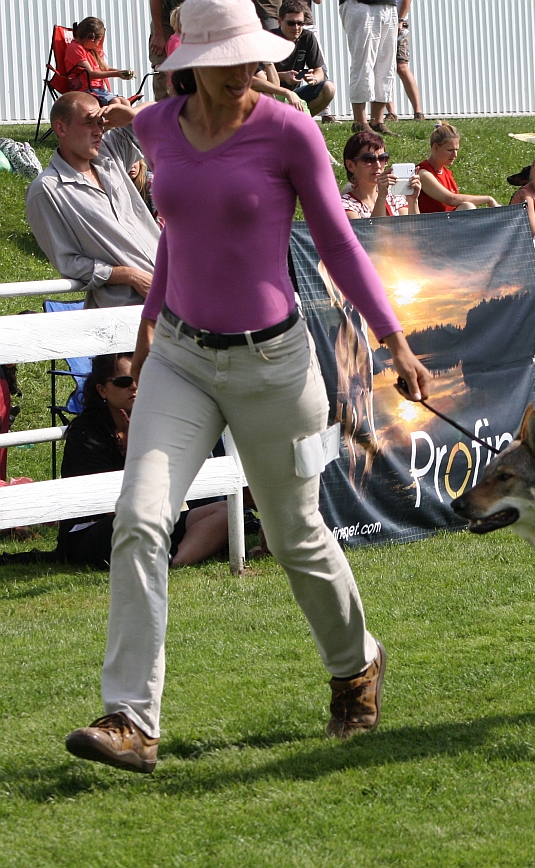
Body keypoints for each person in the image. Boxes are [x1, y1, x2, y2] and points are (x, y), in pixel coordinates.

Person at [63, 0, 431, 775]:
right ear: (189, 60)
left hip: (276, 367)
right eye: (230, 57)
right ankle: (131, 718)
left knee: (297, 536)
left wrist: (393, 337)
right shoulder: (159, 127)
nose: (249, 71)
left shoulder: (288, 130)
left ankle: (356, 663)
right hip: (182, 362)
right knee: (138, 519)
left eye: (254, 55)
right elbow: (180, 233)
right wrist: (150, 322)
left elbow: (336, 239)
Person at [57, 353, 228, 568]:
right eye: (123, 381)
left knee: (225, 513)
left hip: (153, 517)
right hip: (96, 528)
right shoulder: (86, 433)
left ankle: (175, 560)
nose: (135, 386)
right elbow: (106, 504)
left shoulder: (155, 421)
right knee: (134, 523)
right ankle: (183, 549)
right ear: (102, 390)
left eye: (141, 377)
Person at [26, 92, 160, 309]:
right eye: (89, 123)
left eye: (101, 123)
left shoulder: (109, 153)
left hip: (175, 286)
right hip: (127, 307)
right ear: (61, 128)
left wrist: (130, 115)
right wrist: (129, 275)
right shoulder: (46, 190)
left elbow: (163, 110)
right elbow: (68, 262)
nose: (98, 131)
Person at [339, 0, 398, 135]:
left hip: (389, 6)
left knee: (386, 66)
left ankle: (377, 121)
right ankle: (360, 122)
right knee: (363, 65)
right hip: (361, 4)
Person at [269, 0, 335, 118]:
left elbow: (319, 71)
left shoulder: (307, 37)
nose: (296, 27)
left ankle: (300, 121)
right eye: (291, 23)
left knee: (328, 88)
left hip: (295, 95)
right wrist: (283, 76)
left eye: (300, 23)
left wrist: (313, 78)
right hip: (270, 94)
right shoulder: (269, 38)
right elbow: (256, 77)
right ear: (279, 21)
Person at [416, 123, 500, 213]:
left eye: (456, 150)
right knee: (468, 206)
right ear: (436, 147)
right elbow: (451, 199)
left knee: (467, 206)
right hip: (432, 225)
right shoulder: (423, 173)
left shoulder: (446, 172)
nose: (455, 155)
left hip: (447, 222)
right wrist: (488, 199)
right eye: (450, 150)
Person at [341, 129, 420, 218]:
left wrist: (412, 200)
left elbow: (414, 230)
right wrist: (381, 197)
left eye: (383, 158)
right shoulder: (345, 205)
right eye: (368, 160)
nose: (378, 165)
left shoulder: (393, 197)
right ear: (350, 165)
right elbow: (373, 231)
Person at [64, 17, 136, 106]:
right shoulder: (75, 48)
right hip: (85, 90)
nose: (98, 44)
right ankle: (110, 120)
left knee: (126, 102)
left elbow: (106, 68)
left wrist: (122, 72)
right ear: (92, 39)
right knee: (115, 102)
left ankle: (127, 120)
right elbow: (90, 74)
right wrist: (116, 74)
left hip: (98, 89)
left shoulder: (91, 50)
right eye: (98, 41)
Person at [385, 0, 425, 122]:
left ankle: (418, 112)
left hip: (399, 24)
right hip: (382, 22)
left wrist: (400, 19)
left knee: (402, 66)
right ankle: (391, 113)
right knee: (384, 68)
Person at [149, 1, 183, 100]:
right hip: (167, 17)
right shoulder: (175, 41)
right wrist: (158, 34)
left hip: (197, 17)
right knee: (161, 67)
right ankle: (163, 109)